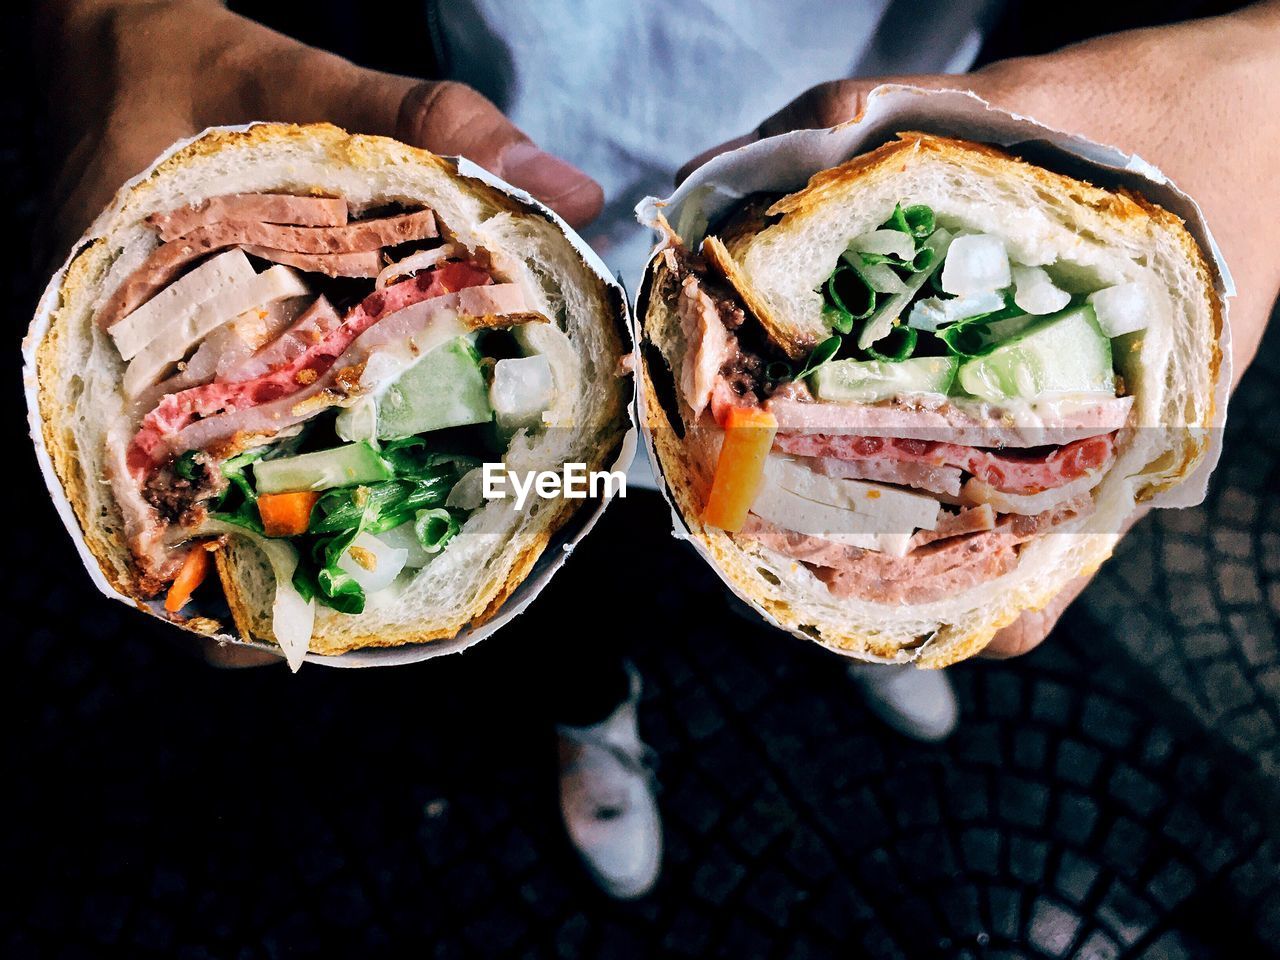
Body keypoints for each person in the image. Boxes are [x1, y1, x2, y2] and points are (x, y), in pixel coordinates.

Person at [38, 0, 1280, 900]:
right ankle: (591, 707)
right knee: (562, 527)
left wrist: (1258, 66)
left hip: (863, 107)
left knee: (771, 521)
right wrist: (106, 20)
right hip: (508, 124)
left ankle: (862, 601)